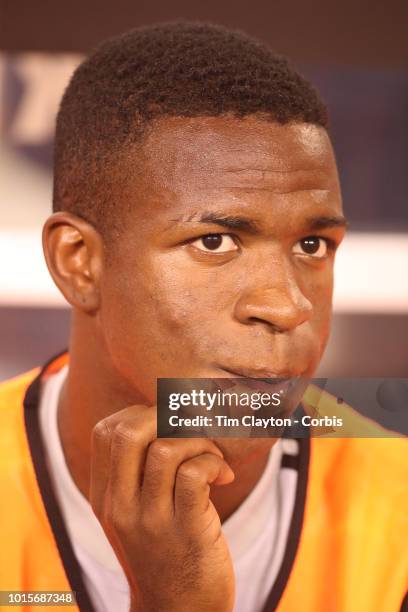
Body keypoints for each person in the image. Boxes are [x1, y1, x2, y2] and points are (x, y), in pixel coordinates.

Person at [0, 22, 407, 612]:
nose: (288, 305)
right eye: (215, 242)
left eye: (313, 246)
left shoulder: (395, 504)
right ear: (80, 263)